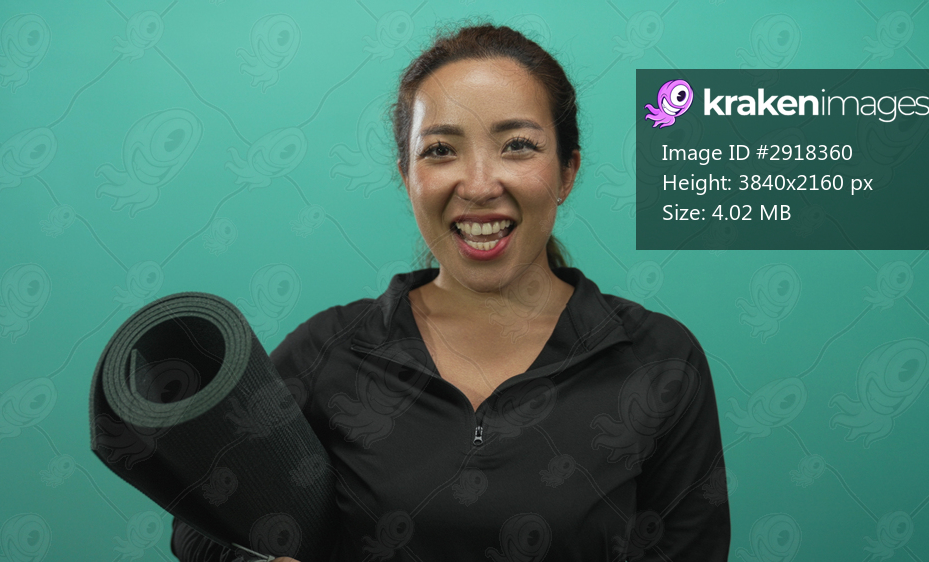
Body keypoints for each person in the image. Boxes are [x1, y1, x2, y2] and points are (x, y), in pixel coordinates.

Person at [172, 20, 730, 561]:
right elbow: (202, 526)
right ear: (407, 176)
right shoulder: (327, 352)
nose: (480, 185)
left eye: (517, 145)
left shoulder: (660, 359)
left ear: (567, 172)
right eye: (440, 150)